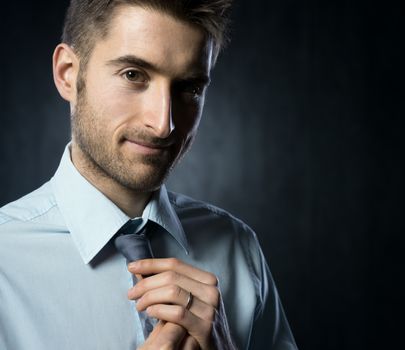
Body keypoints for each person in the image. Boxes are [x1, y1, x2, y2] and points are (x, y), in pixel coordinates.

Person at [0, 1, 297, 349]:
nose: (163, 124)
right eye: (133, 75)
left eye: (189, 88)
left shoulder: (238, 248)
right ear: (68, 73)